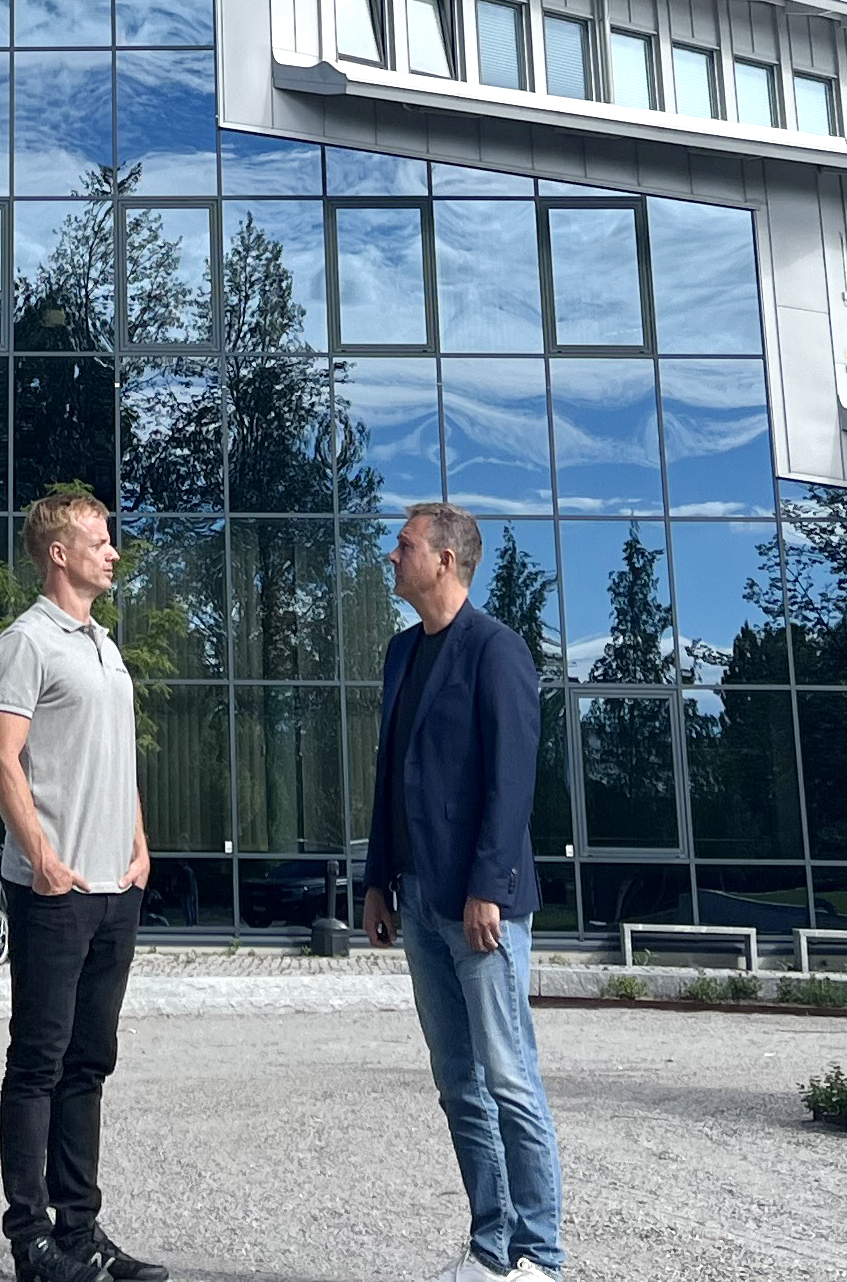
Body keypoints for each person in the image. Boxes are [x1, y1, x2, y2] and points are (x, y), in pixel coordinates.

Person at [361, 500, 564, 1281]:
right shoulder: (401, 653)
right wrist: (377, 879)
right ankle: (489, 1247)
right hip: (418, 901)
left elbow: (511, 783)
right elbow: (390, 774)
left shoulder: (497, 651)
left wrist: (491, 885)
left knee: (510, 1078)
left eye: (404, 545)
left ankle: (538, 1255)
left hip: (483, 908)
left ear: (446, 559)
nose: (393, 555)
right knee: (458, 1084)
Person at [0, 488, 167, 1282]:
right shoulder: (26, 643)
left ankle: (81, 1230)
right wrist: (44, 861)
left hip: (113, 888)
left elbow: (114, 757)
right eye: (100, 538)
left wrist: (138, 843)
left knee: (90, 1061)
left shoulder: (105, 647)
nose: (114, 550)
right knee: (39, 1063)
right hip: (54, 892)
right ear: (59, 553)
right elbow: (0, 761)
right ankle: (31, 1242)